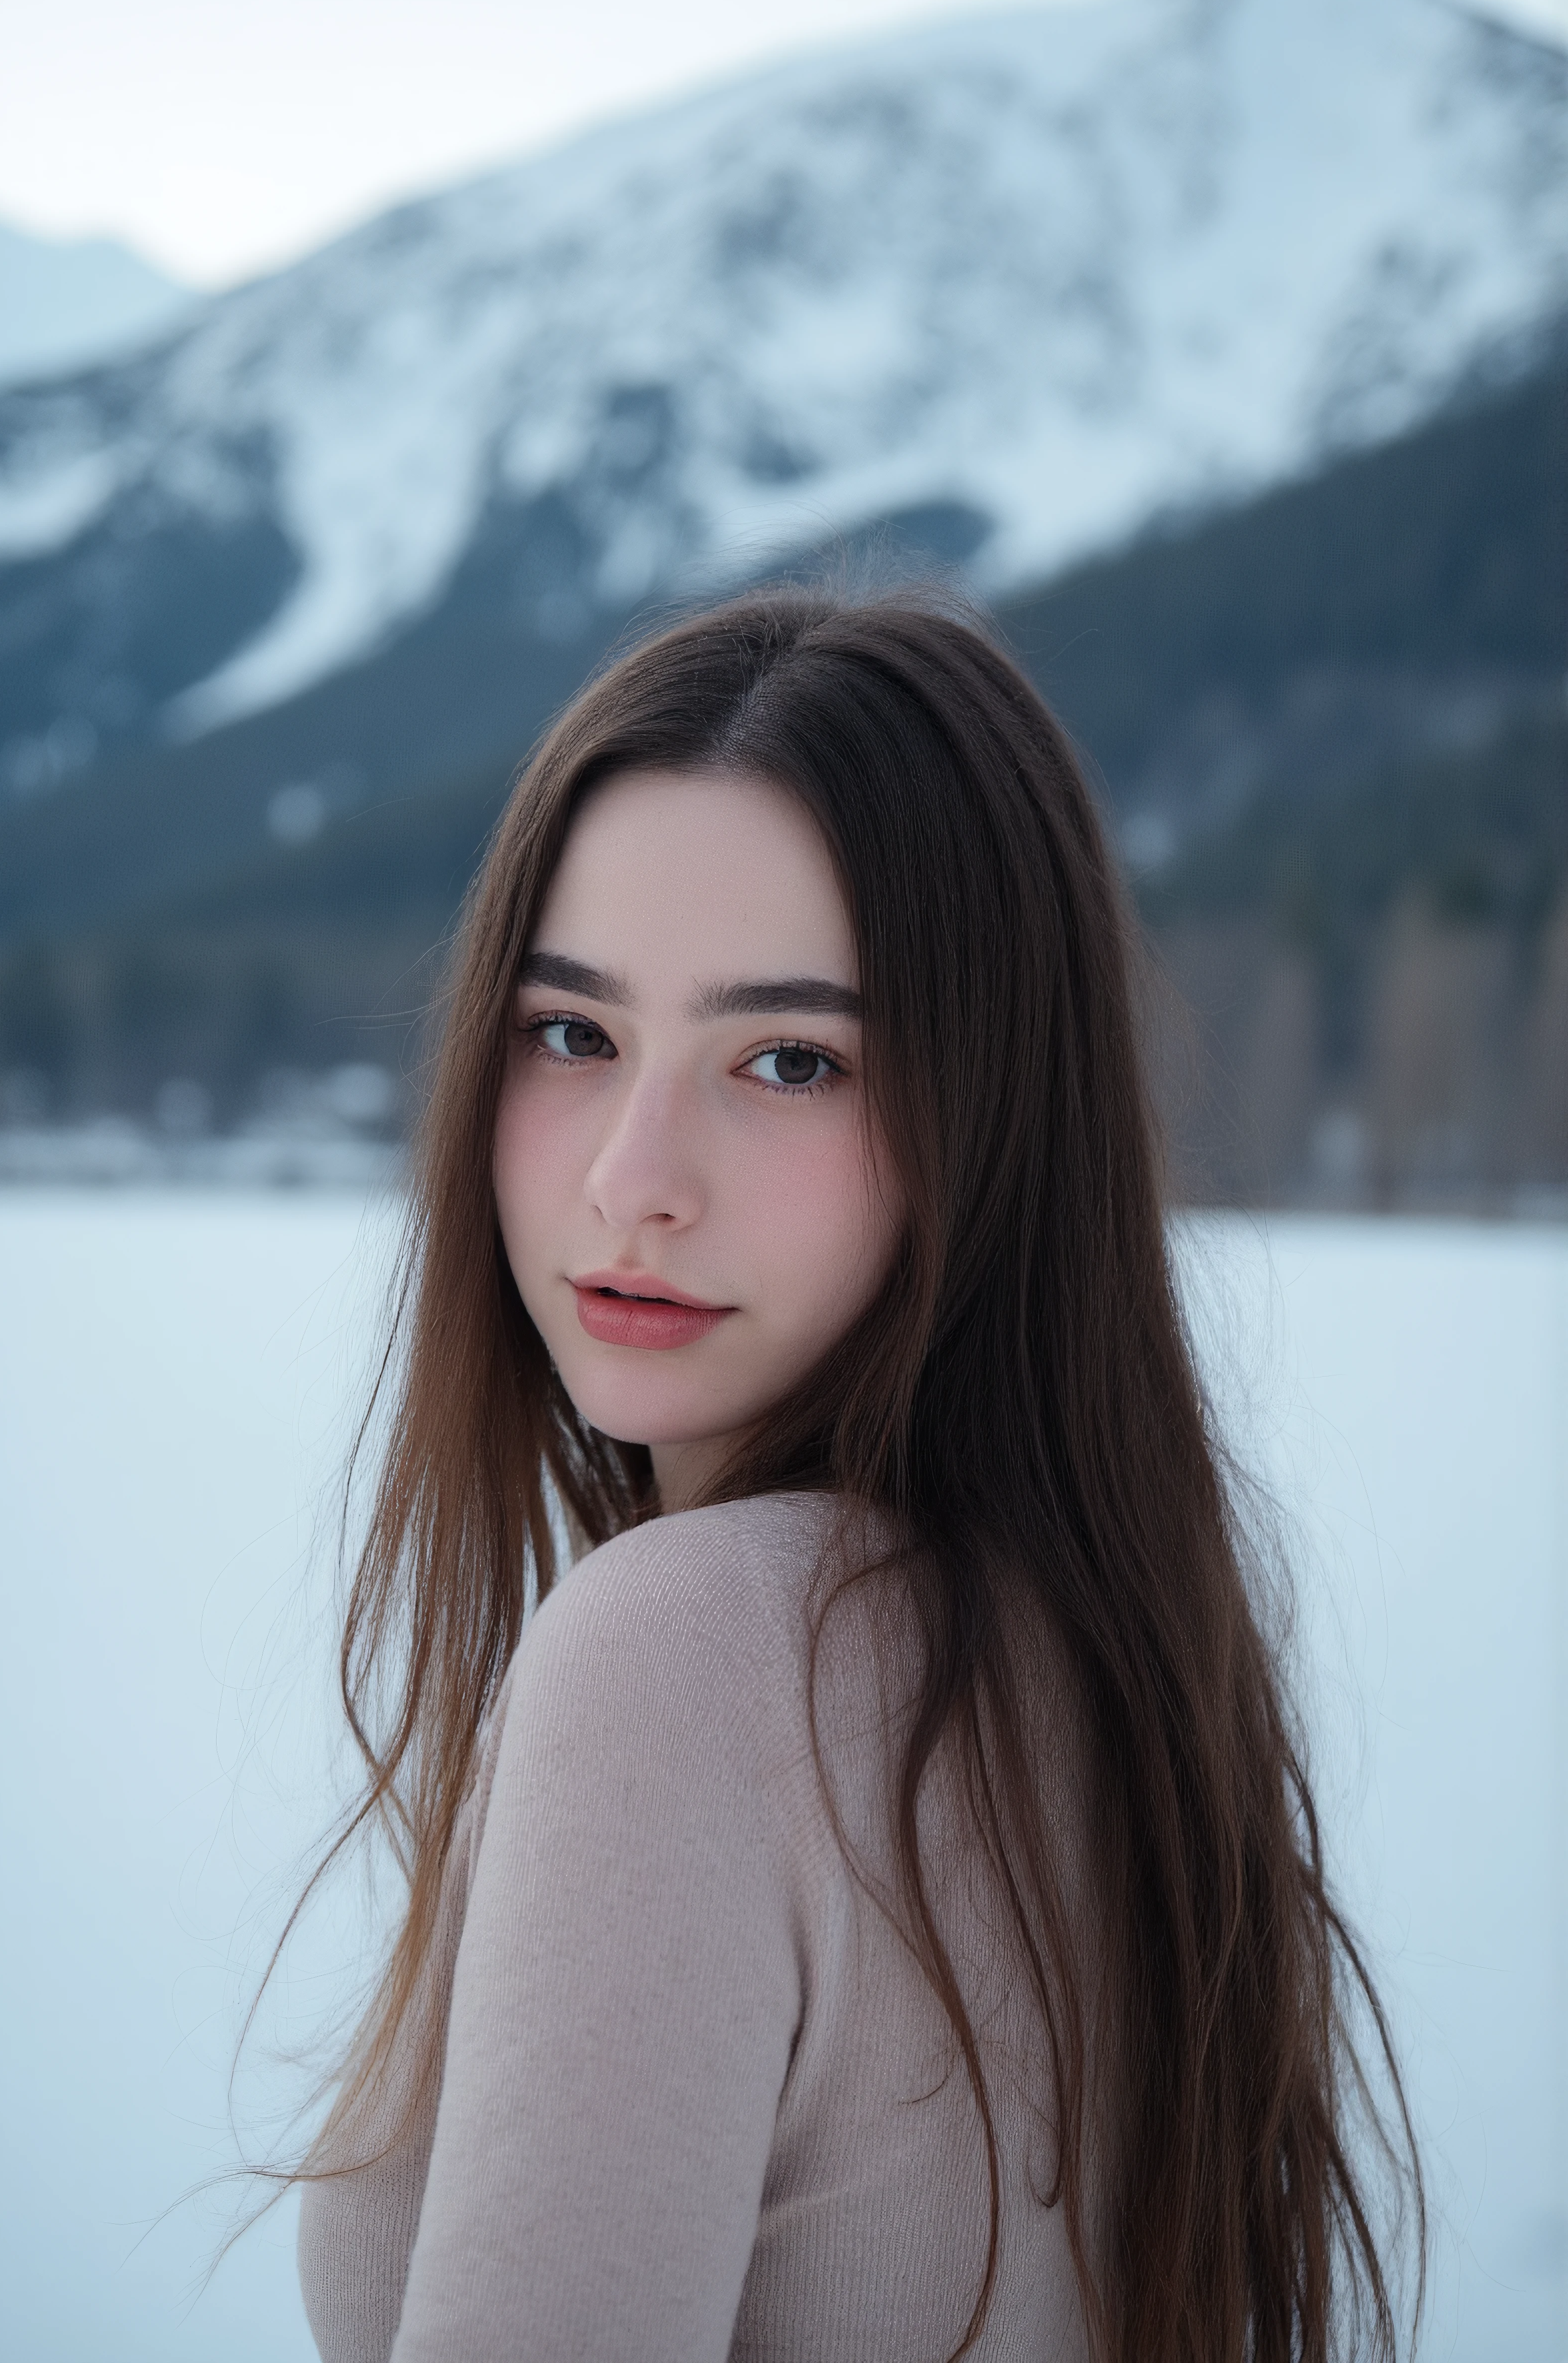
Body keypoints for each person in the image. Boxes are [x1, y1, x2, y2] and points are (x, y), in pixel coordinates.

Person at [291, 588, 1419, 2362]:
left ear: (995, 1118)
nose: (631, 1181)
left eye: (790, 1061)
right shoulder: (1111, 1653)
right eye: (574, 1034)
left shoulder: (689, 1661)